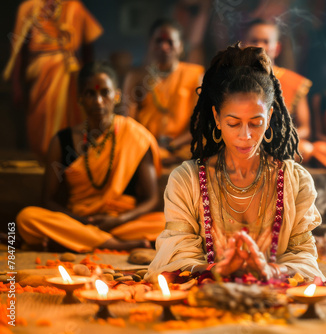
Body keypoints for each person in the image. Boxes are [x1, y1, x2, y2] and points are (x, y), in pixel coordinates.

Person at [147, 44, 325, 281]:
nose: (245, 135)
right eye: (233, 123)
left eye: (255, 123)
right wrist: (214, 271)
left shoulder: (296, 181)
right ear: (217, 119)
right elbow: (175, 256)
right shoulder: (187, 180)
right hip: (207, 297)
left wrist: (273, 270)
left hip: (275, 297)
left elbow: (305, 258)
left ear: (270, 118)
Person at [16, 62, 165, 253]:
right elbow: (48, 200)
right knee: (26, 218)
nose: (98, 101)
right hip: (78, 221)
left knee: (169, 224)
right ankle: (116, 245)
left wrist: (119, 219)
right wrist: (83, 221)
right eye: (90, 94)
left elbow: (152, 198)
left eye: (105, 93)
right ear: (80, 98)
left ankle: (73, 243)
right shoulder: (62, 141)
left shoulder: (137, 136)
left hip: (122, 222)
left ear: (117, 96)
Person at [5, 0, 103, 161]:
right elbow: (19, 50)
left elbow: (87, 49)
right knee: (39, 123)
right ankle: (44, 159)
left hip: (71, 75)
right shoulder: (29, 8)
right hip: (38, 76)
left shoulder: (75, 7)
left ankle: (67, 160)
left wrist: (89, 79)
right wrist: (16, 84)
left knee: (73, 121)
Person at [123, 19, 204, 165]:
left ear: (180, 46)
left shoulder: (195, 75)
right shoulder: (136, 77)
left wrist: (172, 145)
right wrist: (149, 145)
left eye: (170, 42)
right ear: (150, 44)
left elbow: (200, 124)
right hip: (145, 148)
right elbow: (129, 122)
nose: (164, 46)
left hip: (183, 148)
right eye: (158, 41)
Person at [244, 19, 312, 150]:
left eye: (266, 41)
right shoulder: (233, 80)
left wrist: (279, 137)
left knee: (306, 149)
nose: (259, 46)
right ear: (244, 45)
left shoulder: (294, 82)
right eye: (254, 40)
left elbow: (305, 129)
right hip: (244, 142)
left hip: (279, 144)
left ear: (277, 48)